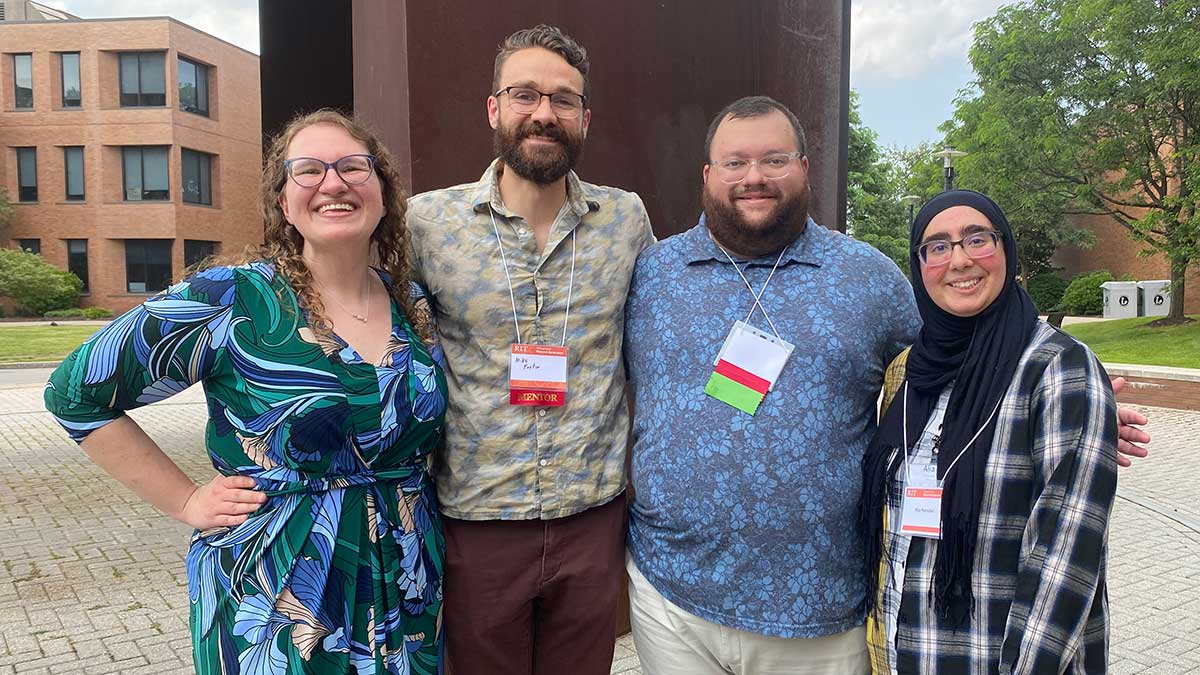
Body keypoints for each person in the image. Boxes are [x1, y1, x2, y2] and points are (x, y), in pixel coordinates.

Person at [622, 96, 1149, 674]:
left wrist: (1075, 412)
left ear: (803, 167)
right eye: (735, 162)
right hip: (669, 596)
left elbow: (959, 346)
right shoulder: (651, 273)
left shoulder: (868, 277)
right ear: (707, 175)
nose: (754, 177)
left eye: (775, 159)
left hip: (822, 612)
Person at [44, 110, 448, 674]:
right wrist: (185, 501)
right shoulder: (231, 300)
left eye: (355, 167)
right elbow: (73, 395)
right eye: (308, 170)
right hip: (275, 590)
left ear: (383, 195)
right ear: (284, 203)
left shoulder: (414, 305)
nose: (334, 183)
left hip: (406, 583)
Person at [405, 25, 654, 675]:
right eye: (525, 94)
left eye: (563, 99)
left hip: (591, 524)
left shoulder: (626, 220)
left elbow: (660, 340)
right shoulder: (428, 224)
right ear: (494, 108)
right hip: (478, 526)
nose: (544, 112)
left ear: (584, 119)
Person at [860, 190, 1116, 674]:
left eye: (976, 239)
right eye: (937, 246)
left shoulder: (1058, 369)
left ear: (1006, 251)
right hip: (902, 654)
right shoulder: (908, 374)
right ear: (919, 266)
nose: (958, 260)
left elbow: (1065, 557)